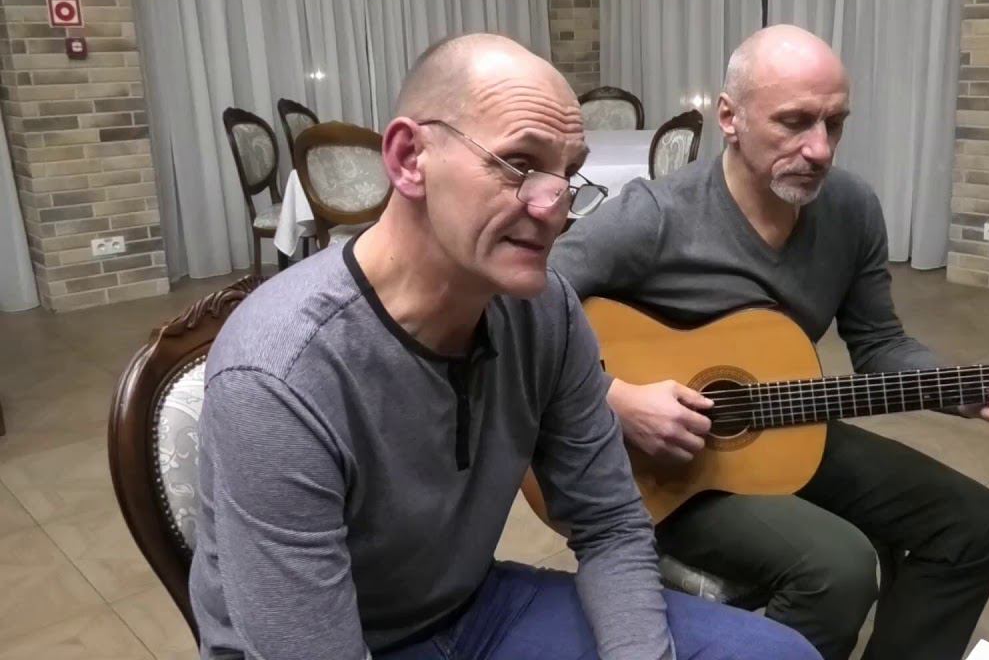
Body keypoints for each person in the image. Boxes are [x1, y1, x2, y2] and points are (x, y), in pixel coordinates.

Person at [189, 33, 820, 660]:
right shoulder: (280, 372)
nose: (554, 207)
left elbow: (608, 523)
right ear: (409, 158)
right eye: (520, 163)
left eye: (568, 174)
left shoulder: (544, 312)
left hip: (471, 608)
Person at [549, 24, 989, 660]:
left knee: (971, 523)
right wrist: (614, 397)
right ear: (730, 119)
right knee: (837, 569)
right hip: (657, 469)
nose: (819, 149)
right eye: (793, 123)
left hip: (782, 424)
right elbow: (519, 307)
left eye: (834, 124)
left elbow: (880, 342)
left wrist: (968, 392)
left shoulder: (851, 209)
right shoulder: (656, 215)